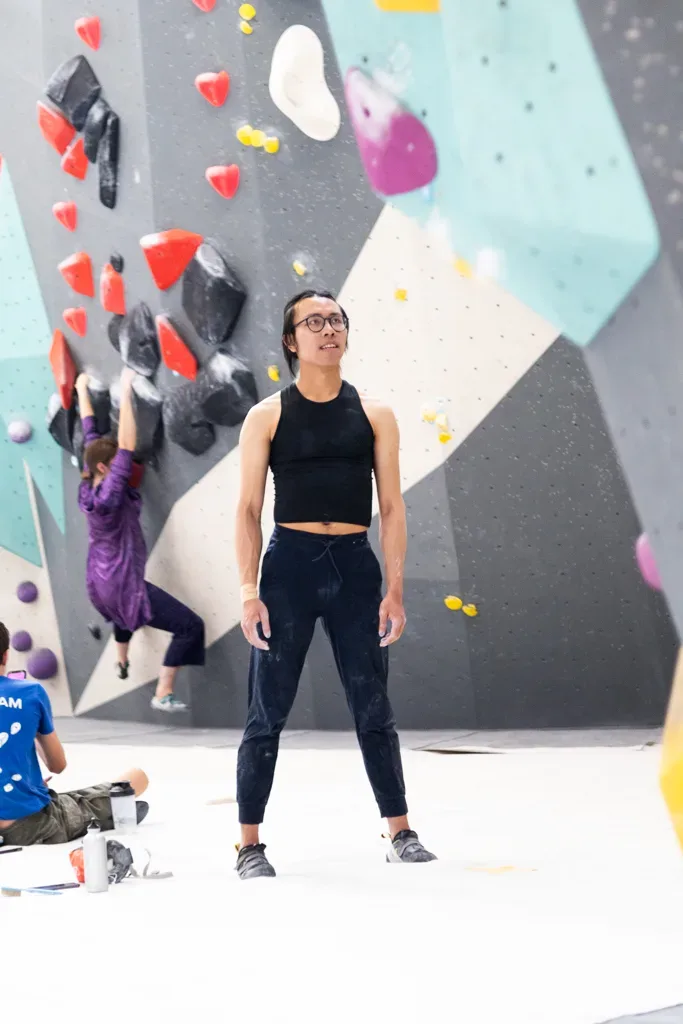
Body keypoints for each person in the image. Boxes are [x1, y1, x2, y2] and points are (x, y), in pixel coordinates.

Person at [234, 289, 437, 879]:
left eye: (337, 320)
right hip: (288, 570)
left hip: (354, 568)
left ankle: (400, 830)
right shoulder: (266, 416)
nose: (329, 330)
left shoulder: (375, 414)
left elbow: (392, 508)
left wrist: (394, 589)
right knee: (266, 711)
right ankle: (248, 844)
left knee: (374, 707)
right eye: (315, 322)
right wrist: (248, 592)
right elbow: (248, 509)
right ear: (290, 340)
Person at [76, 368, 205, 713]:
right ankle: (163, 691)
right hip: (121, 583)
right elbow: (127, 445)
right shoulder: (109, 496)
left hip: (98, 582)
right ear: (104, 469)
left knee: (124, 614)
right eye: (116, 465)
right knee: (190, 626)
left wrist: (81, 389)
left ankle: (121, 660)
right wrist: (126, 388)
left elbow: (90, 434)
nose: (125, 465)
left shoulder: (87, 485)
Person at [0, 621, 149, 846]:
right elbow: (57, 765)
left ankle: (107, 812)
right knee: (136, 778)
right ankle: (110, 811)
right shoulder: (30, 693)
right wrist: (30, 728)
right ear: (5, 655)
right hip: (27, 825)